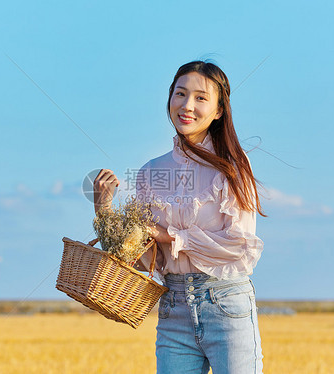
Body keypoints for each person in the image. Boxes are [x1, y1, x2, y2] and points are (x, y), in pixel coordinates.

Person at [93, 60, 265, 374]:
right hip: (173, 307)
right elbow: (141, 259)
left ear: (218, 111)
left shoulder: (233, 167)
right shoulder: (150, 172)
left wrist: (170, 235)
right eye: (180, 94)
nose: (187, 105)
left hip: (225, 301)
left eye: (201, 98)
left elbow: (240, 247)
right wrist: (104, 210)